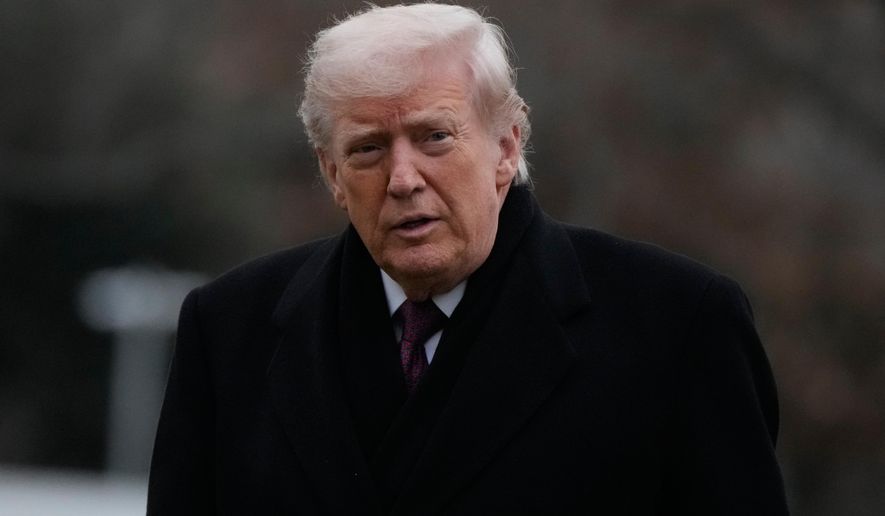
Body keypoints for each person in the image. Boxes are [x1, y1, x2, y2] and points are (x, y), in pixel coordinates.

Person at [147, 3, 789, 515]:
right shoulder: (230, 331)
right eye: (369, 148)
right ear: (332, 172)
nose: (403, 178)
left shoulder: (677, 325)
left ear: (506, 146)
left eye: (434, 137)